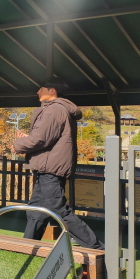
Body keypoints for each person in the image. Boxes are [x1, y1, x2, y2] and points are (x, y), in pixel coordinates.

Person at [12, 80, 104, 250]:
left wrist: (18, 145)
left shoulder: (54, 109)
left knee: (58, 209)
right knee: (36, 210)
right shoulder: (58, 109)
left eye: (40, 89)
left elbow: (41, 139)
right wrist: (27, 139)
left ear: (52, 91)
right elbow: (47, 138)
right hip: (48, 167)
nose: (37, 92)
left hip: (51, 169)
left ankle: (97, 248)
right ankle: (28, 245)